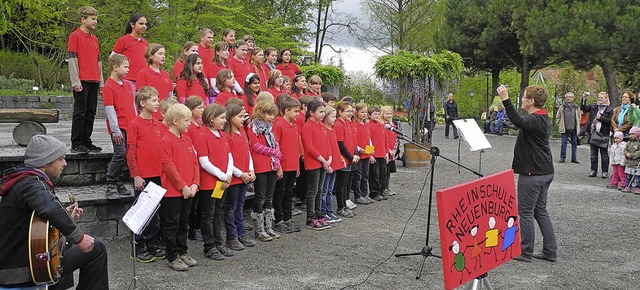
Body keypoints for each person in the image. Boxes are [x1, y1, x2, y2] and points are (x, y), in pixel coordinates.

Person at [0, 135, 108, 289]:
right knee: (96, 248)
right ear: (46, 161)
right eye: (60, 158)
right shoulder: (31, 184)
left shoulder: (24, 180)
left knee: (63, 245)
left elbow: (35, 219)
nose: (65, 163)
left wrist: (64, 213)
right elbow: (50, 208)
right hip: (21, 271)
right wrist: (80, 238)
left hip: (24, 261)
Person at [496, 84, 557, 263]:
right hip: (545, 171)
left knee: (526, 212)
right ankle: (550, 251)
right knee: (540, 211)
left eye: (524, 97)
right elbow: (520, 121)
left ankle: (526, 251)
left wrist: (506, 99)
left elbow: (518, 121)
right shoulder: (542, 117)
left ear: (531, 101)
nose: (522, 100)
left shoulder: (535, 120)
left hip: (534, 174)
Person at [126, 86, 165, 262]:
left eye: (158, 100)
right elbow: (131, 152)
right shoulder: (134, 124)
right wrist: (136, 175)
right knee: (142, 212)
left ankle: (152, 242)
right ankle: (138, 245)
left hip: (158, 174)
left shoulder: (158, 124)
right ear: (142, 103)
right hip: (143, 175)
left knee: (155, 213)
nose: (158, 103)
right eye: (154, 100)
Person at [159, 104, 199, 271]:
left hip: (189, 189)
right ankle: (172, 255)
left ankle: (182, 251)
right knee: (172, 224)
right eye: (187, 120)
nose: (190, 123)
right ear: (175, 121)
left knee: (184, 222)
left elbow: (195, 163)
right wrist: (183, 186)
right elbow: (169, 167)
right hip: (174, 192)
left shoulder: (187, 139)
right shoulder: (166, 140)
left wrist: (195, 183)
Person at [194, 104, 237, 260]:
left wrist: (228, 174)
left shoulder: (223, 136)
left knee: (218, 213)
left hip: (222, 181)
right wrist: (222, 175)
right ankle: (209, 246)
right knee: (208, 214)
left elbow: (229, 157)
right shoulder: (202, 135)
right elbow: (204, 162)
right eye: (222, 118)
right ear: (211, 119)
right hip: (209, 182)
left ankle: (219, 243)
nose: (225, 121)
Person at [68, 6, 104, 154]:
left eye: (96, 19)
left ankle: (86, 140)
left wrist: (101, 82)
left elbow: (99, 62)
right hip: (82, 80)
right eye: (93, 19)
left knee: (91, 112)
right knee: (80, 112)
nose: (95, 22)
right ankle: (76, 142)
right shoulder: (75, 36)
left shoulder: (95, 39)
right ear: (83, 19)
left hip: (94, 80)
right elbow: (72, 59)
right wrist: (75, 81)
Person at [223, 104, 257, 249]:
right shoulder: (226, 135)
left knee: (239, 206)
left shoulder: (241, 131)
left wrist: (251, 170)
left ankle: (240, 234)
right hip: (235, 177)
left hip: (244, 175)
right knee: (231, 208)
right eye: (240, 116)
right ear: (231, 117)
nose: (243, 119)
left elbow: (247, 153)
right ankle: (232, 237)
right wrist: (240, 173)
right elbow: (227, 159)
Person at [103, 54, 136, 199]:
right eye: (126, 67)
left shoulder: (128, 85)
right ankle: (111, 182)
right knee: (119, 153)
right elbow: (110, 109)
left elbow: (132, 106)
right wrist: (115, 130)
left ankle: (119, 182)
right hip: (119, 128)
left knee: (127, 155)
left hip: (130, 126)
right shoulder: (109, 86)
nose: (128, 70)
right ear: (115, 67)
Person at [248, 101, 282, 240]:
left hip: (271, 166)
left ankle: (268, 226)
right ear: (261, 113)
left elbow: (277, 146)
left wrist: (277, 162)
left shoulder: (270, 129)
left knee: (269, 197)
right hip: (260, 166)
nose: (272, 117)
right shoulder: (252, 127)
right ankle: (259, 229)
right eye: (269, 114)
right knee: (260, 197)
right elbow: (256, 146)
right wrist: (274, 152)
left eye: (273, 114)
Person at [272, 96, 303, 233]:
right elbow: (275, 147)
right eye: (295, 111)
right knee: (280, 193)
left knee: (289, 193)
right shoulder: (279, 125)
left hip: (292, 165)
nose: (298, 114)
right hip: (283, 166)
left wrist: (296, 166)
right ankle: (278, 220)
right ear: (286, 111)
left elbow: (295, 148)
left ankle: (287, 218)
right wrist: (279, 166)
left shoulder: (294, 126)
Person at [302, 100, 332, 230]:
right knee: (313, 190)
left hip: (323, 162)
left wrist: (329, 158)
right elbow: (309, 147)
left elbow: (327, 144)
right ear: (311, 112)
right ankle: (311, 217)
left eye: (324, 112)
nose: (323, 114)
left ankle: (320, 214)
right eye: (320, 112)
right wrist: (323, 160)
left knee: (320, 189)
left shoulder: (321, 125)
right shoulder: (307, 126)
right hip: (314, 163)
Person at [112, 13, 148, 96]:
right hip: (127, 79)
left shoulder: (145, 43)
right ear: (132, 24)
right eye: (141, 23)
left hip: (142, 81)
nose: (144, 26)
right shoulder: (123, 40)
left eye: (145, 24)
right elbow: (113, 59)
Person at [334, 101, 359, 218]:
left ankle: (344, 205)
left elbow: (351, 143)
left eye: (351, 111)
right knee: (341, 185)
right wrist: (350, 156)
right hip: (343, 159)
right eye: (348, 111)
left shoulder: (347, 124)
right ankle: (340, 207)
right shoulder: (339, 125)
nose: (351, 113)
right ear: (340, 112)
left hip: (349, 159)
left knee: (345, 185)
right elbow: (340, 145)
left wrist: (354, 154)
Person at [136, 43, 174, 121]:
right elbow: (140, 96)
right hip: (150, 116)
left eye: (164, 54)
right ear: (151, 56)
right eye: (160, 54)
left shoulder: (166, 74)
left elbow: (170, 95)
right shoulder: (143, 73)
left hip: (165, 116)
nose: (163, 56)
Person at [581, 92, 614, 178]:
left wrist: (600, 118)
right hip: (593, 133)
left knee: (604, 154)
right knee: (593, 154)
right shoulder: (594, 107)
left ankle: (604, 171)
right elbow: (583, 108)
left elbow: (610, 121)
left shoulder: (609, 110)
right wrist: (584, 99)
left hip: (604, 134)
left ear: (606, 99)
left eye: (602, 98)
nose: (599, 99)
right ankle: (593, 170)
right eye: (599, 97)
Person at [321, 106, 344, 223]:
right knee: (324, 190)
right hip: (328, 164)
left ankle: (329, 211)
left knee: (329, 189)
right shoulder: (324, 131)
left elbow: (335, 147)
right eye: (332, 116)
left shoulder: (332, 130)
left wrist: (339, 157)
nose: (335, 119)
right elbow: (325, 149)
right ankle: (323, 212)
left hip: (334, 163)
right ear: (325, 117)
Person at [367, 106, 388, 201]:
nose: (377, 115)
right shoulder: (368, 126)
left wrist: (386, 152)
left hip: (382, 153)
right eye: (375, 114)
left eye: (378, 114)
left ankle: (382, 190)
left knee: (382, 174)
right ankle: (374, 192)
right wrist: (369, 154)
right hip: (374, 154)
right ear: (369, 115)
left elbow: (385, 140)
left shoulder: (381, 125)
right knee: (374, 175)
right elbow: (368, 140)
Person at [556, 92, 581, 163]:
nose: (569, 98)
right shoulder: (562, 107)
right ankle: (562, 158)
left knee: (574, 144)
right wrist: (559, 124)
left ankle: (574, 158)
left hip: (574, 128)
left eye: (570, 97)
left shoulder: (576, 107)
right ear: (565, 98)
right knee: (564, 143)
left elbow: (579, 117)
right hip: (564, 128)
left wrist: (577, 124)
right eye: (567, 97)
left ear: (573, 98)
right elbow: (558, 117)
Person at [622, 127, 640, 194]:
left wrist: (632, 155)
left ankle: (638, 187)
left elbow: (639, 152)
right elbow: (624, 150)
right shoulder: (628, 143)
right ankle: (628, 186)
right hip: (629, 163)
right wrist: (626, 153)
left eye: (633, 134)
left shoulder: (639, 143)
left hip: (636, 163)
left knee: (638, 177)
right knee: (628, 176)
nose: (631, 135)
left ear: (637, 134)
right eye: (630, 134)